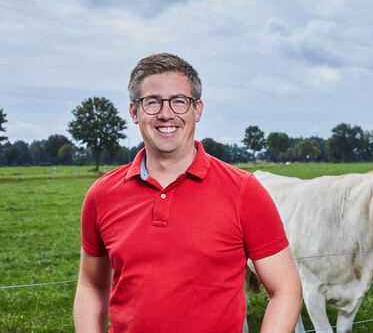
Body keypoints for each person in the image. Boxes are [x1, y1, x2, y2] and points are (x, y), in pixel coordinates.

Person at [73, 53, 302, 332]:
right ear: (134, 112)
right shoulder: (101, 194)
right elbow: (91, 285)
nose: (166, 113)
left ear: (197, 109)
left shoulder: (244, 191)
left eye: (179, 101)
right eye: (152, 102)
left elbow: (286, 290)